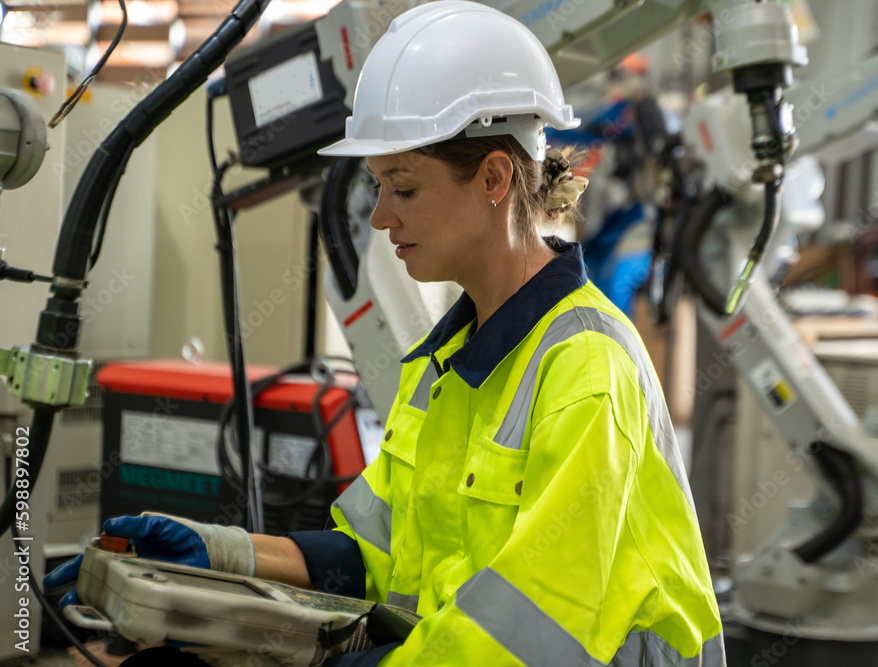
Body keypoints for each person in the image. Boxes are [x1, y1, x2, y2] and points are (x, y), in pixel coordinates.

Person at [46, 2, 723, 665]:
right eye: (377, 187)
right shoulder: (445, 369)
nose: (379, 218)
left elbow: (523, 641)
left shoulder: (587, 373)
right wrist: (214, 553)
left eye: (403, 187)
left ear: (493, 176)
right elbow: (372, 552)